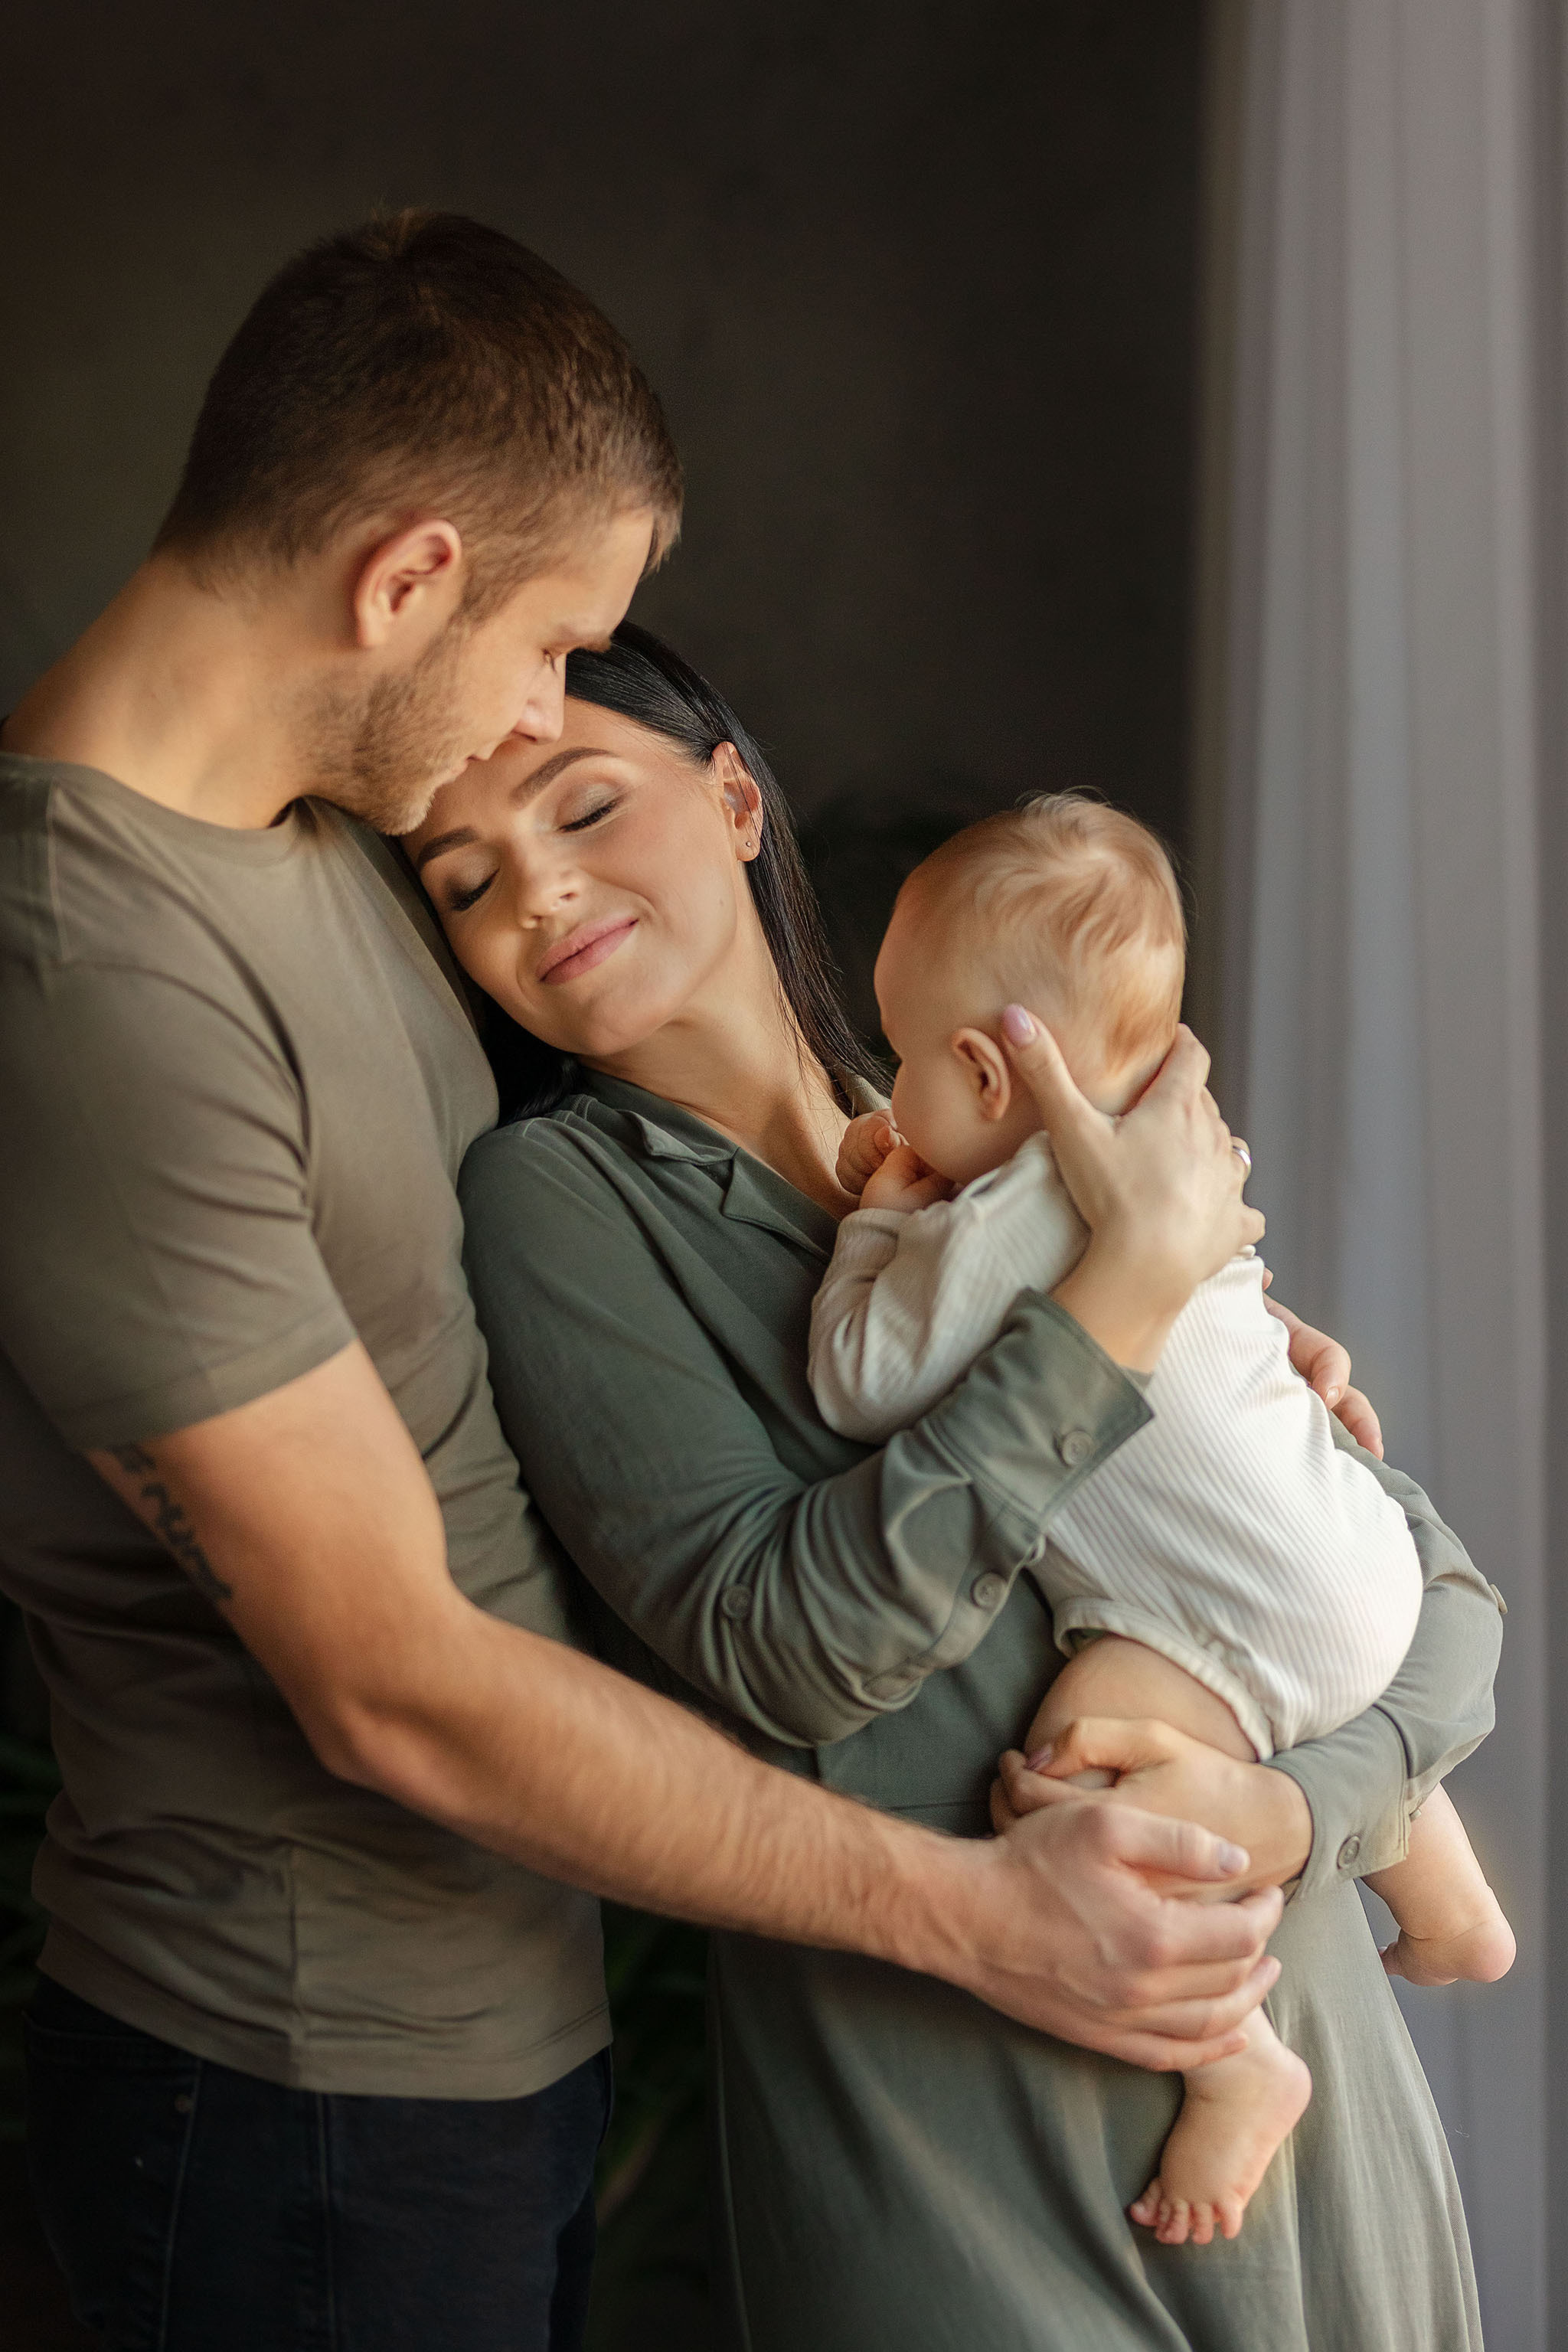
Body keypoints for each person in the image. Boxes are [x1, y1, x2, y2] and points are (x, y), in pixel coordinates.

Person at [0, 215, 1284, 2350]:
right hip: (291, 2082)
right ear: (404, 580)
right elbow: (385, 1676)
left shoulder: (313, 835)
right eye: (548, 639)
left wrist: (1179, 1339)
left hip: (491, 2041)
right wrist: (970, 1917)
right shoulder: (86, 973)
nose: (538, 713)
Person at [423, 623, 1502, 2352]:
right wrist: (1123, 1299)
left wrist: (1305, 1814)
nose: (538, 895)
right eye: (468, 878)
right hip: (959, 2148)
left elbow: (1436, 1602)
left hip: (1305, 2095)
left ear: (731, 801)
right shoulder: (560, 1206)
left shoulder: (1004, 1121)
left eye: (586, 807)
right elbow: (788, 1650)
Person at [806, 791, 1515, 2246]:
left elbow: (859, 1382)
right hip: (1358, 1552)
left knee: (1067, 1779)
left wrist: (878, 1217)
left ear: (984, 1078)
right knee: (1331, 1674)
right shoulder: (1171, 1149)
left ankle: (1236, 2059)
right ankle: (1454, 1910)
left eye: (899, 1058)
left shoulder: (991, 1222)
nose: (887, 1092)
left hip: (1214, 1625)